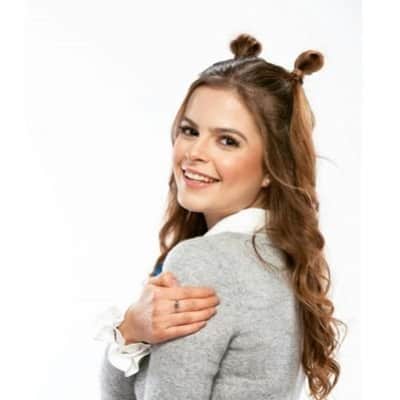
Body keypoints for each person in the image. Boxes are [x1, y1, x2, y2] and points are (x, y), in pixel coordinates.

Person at [97, 33, 346, 400]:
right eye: (189, 131)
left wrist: (128, 334)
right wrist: (131, 331)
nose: (194, 152)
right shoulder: (283, 257)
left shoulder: (203, 262)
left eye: (227, 140)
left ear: (271, 166)